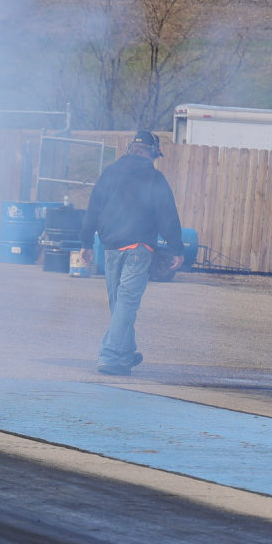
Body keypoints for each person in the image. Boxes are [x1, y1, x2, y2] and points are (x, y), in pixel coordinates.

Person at [78, 129, 183, 376]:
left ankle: (125, 354)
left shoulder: (110, 173)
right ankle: (109, 357)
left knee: (120, 304)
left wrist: (86, 243)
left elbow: (93, 208)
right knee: (126, 304)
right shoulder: (153, 177)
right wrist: (177, 249)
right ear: (153, 152)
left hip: (111, 248)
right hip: (139, 248)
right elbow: (167, 215)